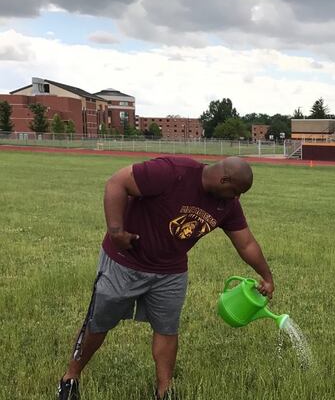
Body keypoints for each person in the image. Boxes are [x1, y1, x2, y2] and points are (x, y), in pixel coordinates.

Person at [57, 156, 275, 400]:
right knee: (98, 323)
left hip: (170, 272)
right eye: (235, 191)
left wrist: (265, 275)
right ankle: (70, 378)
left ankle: (164, 390)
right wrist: (116, 231)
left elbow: (245, 243)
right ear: (224, 179)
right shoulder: (172, 172)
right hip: (124, 262)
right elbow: (116, 183)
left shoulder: (228, 205)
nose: (237, 198)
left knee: (167, 329)